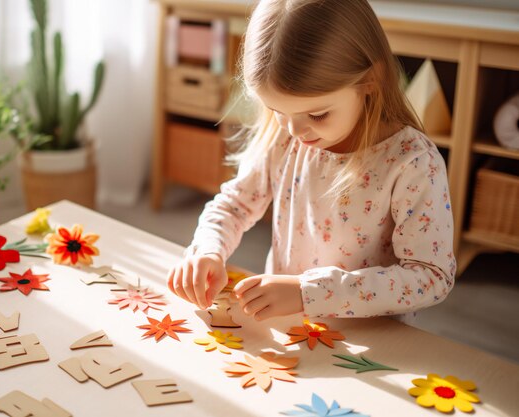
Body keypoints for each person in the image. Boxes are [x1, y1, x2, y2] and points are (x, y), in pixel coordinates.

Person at [167, 0, 456, 322]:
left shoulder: (413, 163)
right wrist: (208, 250)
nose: (294, 129)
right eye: (277, 111)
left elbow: (431, 277)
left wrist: (310, 294)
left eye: (317, 114)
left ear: (371, 81)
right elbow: (234, 205)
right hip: (288, 325)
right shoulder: (286, 135)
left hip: (371, 342)